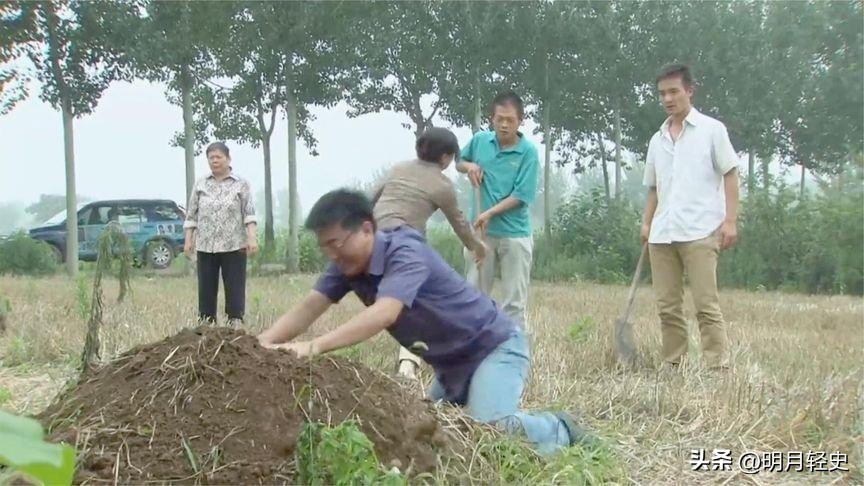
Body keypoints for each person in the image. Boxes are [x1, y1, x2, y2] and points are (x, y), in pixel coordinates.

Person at [257, 189, 594, 455]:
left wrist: (314, 347)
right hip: (449, 367)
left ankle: (559, 429)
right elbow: (308, 307)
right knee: (421, 434)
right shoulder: (346, 267)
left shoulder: (404, 251)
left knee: (489, 427)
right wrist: (258, 346)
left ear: (366, 229)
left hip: (494, 347)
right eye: (324, 247)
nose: (332, 254)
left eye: (336, 243)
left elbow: (385, 312)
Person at [641, 64, 740, 370]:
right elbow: (655, 189)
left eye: (674, 91)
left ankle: (716, 367)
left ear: (689, 91)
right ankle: (674, 364)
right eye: (662, 94)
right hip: (662, 234)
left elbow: (731, 174)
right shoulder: (657, 140)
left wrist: (730, 220)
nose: (668, 99)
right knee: (667, 307)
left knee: (706, 305)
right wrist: (646, 223)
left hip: (700, 232)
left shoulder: (712, 130)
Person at [370, 126, 487, 380]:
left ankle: (415, 358)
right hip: (406, 248)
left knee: (405, 303)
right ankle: (409, 363)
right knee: (423, 303)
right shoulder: (442, 185)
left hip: (374, 240)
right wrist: (477, 246)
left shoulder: (397, 169)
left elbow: (370, 200)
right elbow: (460, 223)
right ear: (445, 158)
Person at [456, 90, 539, 332]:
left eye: (510, 120)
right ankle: (473, 350)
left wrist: (489, 213)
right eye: (499, 118)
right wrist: (469, 166)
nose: (504, 124)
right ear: (491, 118)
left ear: (520, 120)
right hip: (481, 234)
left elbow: (521, 196)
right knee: (474, 295)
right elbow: (459, 161)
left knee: (513, 302)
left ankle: (513, 357)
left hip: (515, 235)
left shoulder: (528, 153)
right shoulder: (480, 141)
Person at [183, 142, 259, 325]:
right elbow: (192, 214)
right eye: (211, 157)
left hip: (234, 244)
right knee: (206, 287)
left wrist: (252, 237)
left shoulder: (241, 184)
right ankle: (206, 322)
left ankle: (235, 321)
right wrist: (188, 240)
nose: (215, 161)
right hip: (206, 245)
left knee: (234, 285)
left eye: (219, 157)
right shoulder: (201, 184)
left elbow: (249, 213)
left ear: (228, 159)